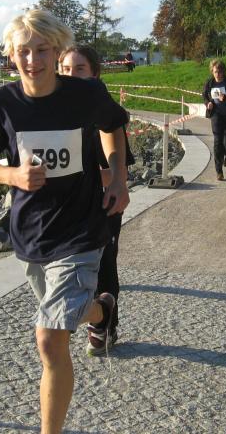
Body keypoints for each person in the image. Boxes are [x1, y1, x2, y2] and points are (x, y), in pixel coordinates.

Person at [0, 9, 130, 434]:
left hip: (82, 229)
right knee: (65, 316)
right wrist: (13, 175)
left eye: (41, 50)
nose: (32, 60)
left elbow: (113, 126)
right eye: (23, 51)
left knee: (50, 338)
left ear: (57, 51)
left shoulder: (85, 94)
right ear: (10, 55)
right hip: (33, 234)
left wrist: (118, 178)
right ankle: (101, 311)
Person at [59, 44, 135, 356]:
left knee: (105, 263)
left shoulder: (103, 112)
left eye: (79, 69)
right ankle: (89, 313)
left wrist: (82, 179)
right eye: (65, 69)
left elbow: (117, 172)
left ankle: (106, 326)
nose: (71, 75)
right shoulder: (54, 110)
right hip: (67, 207)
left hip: (104, 203)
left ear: (95, 74)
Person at [202, 60, 226, 181]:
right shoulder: (209, 83)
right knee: (218, 141)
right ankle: (219, 171)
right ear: (212, 72)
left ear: (224, 71)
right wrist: (208, 103)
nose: (217, 74)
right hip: (216, 115)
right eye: (215, 72)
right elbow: (204, 96)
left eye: (219, 72)